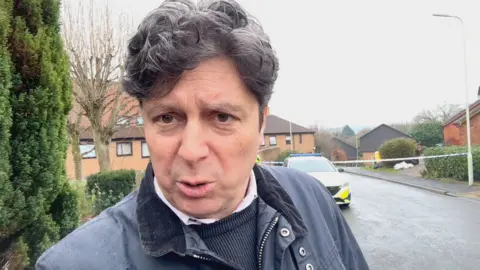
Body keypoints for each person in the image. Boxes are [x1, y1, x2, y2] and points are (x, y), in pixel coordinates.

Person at [36, 1, 369, 269]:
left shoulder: (311, 198)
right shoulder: (75, 262)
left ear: (260, 124)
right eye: (167, 117)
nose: (192, 151)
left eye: (222, 117)